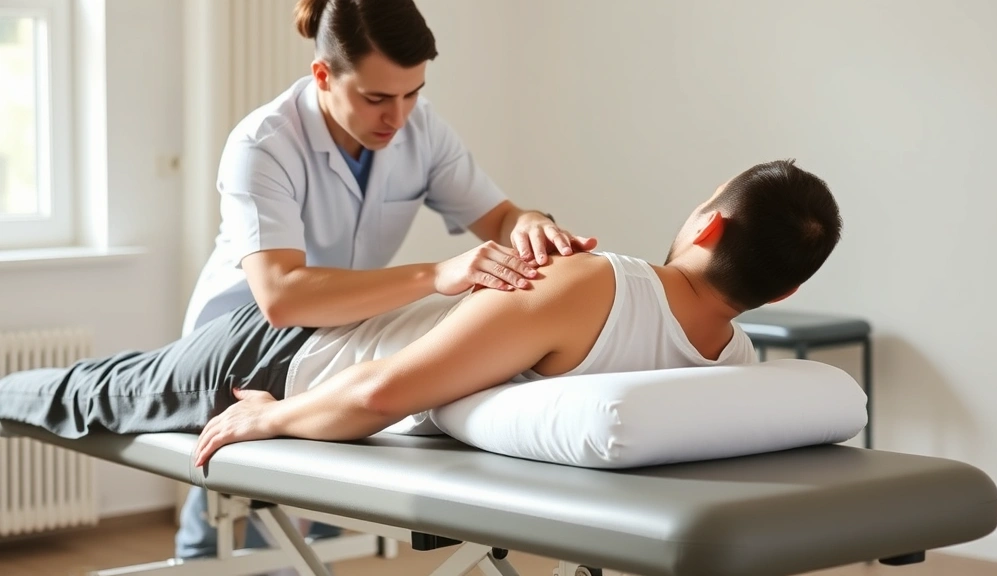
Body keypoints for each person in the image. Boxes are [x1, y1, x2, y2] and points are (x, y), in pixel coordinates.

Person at [0, 158, 842, 469]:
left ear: (707, 223)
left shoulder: (596, 284)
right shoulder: (728, 370)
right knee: (84, 390)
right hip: (280, 339)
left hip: (283, 370)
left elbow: (381, 393)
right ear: (787, 292)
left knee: (90, 390)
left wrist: (273, 420)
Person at [178, 0, 596, 564]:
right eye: (376, 98)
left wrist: (533, 225)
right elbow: (282, 295)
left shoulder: (420, 131)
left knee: (318, 521)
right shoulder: (263, 143)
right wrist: (438, 275)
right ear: (323, 75)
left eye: (412, 93)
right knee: (220, 518)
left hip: (336, 343)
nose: (396, 117)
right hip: (239, 344)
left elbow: (499, 217)